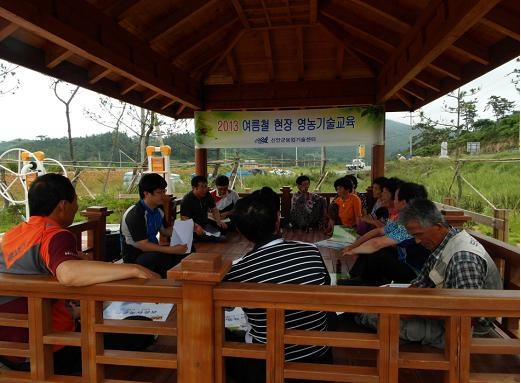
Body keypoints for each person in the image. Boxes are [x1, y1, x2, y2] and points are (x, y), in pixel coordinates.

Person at [0, 173, 160, 373]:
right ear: (62, 205)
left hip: (10, 351)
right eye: (75, 201)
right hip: (50, 350)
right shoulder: (55, 235)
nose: (76, 207)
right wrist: (134, 269)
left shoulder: (11, 235)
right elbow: (68, 273)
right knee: (141, 327)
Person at [356, 198, 503, 348]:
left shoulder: (463, 259)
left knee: (382, 321)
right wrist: (396, 302)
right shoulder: (443, 244)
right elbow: (420, 284)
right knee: (379, 312)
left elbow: (469, 315)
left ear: (438, 227)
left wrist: (415, 312)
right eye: (414, 236)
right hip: (443, 312)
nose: (418, 241)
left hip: (465, 330)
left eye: (419, 235)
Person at [224, 187, 332, 383]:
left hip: (267, 364)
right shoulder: (311, 250)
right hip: (319, 357)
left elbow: (227, 307)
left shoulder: (238, 270)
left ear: (240, 231)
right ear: (277, 221)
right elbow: (325, 285)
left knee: (224, 338)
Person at [343, 181, 430, 285]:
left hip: (417, 274)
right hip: (405, 262)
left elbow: (377, 243)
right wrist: (354, 246)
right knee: (374, 249)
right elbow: (378, 231)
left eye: (396, 198)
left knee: (378, 253)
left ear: (404, 203)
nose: (394, 200)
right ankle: (359, 278)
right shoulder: (404, 219)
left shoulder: (413, 223)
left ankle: (367, 285)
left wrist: (353, 251)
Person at [121, 173, 188, 278]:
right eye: (159, 192)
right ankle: (166, 284)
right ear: (146, 193)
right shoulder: (136, 214)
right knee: (161, 257)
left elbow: (165, 231)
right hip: (135, 257)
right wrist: (171, 249)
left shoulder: (157, 210)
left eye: (164, 191)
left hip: (153, 251)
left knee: (187, 250)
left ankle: (184, 281)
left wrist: (188, 227)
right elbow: (144, 246)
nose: (163, 195)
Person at [180, 175, 227, 241]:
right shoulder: (187, 200)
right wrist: (195, 226)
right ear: (194, 188)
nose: (205, 189)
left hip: (205, 224)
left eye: (206, 186)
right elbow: (184, 219)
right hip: (193, 227)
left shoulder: (207, 195)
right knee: (218, 238)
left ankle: (208, 236)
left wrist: (218, 221)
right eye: (202, 187)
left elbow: (214, 209)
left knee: (224, 229)